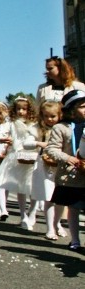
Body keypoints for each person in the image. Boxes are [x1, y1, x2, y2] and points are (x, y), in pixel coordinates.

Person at [0, 97, 39, 228]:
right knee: (10, 185)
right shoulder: (11, 123)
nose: (21, 112)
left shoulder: (34, 123)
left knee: (33, 188)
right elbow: (0, 133)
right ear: (14, 110)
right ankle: (22, 215)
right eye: (18, 109)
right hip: (15, 157)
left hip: (31, 157)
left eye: (24, 109)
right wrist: (3, 139)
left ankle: (31, 213)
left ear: (29, 110)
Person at [44, 89, 85, 251]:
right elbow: (51, 149)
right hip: (71, 176)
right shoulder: (61, 128)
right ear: (71, 110)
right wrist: (69, 158)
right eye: (82, 106)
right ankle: (75, 240)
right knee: (73, 208)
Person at [26, 100, 64, 239]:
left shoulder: (64, 127)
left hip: (61, 165)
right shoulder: (37, 128)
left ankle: (57, 223)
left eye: (53, 116)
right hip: (44, 165)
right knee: (49, 197)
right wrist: (39, 143)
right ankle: (50, 228)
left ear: (60, 115)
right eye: (46, 116)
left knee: (60, 198)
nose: (49, 119)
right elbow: (26, 143)